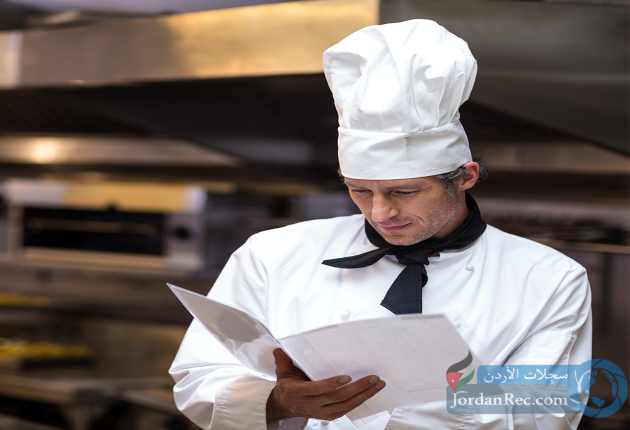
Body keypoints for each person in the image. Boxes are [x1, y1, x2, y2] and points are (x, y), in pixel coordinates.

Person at [169, 20, 591, 430]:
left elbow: (544, 411)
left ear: (465, 177)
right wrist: (278, 402)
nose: (380, 212)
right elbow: (199, 376)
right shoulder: (272, 254)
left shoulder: (548, 278)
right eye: (360, 190)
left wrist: (399, 404)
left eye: (404, 191)